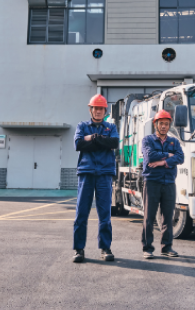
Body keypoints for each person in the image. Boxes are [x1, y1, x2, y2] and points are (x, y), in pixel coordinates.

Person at [72, 94, 119, 263]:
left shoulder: (111, 127)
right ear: (90, 110)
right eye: (95, 108)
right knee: (81, 213)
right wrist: (99, 140)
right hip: (86, 172)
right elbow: (78, 144)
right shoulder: (82, 126)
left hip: (104, 173)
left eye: (101, 109)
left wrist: (92, 139)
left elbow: (114, 143)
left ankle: (105, 248)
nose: (98, 111)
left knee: (105, 213)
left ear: (105, 111)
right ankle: (79, 249)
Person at [141, 110, 185, 259]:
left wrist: (162, 162)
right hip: (152, 182)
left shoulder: (174, 142)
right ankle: (147, 248)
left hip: (169, 183)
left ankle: (166, 247)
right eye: (161, 124)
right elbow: (149, 156)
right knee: (149, 217)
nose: (164, 126)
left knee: (168, 217)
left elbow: (181, 157)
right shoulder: (147, 140)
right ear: (155, 124)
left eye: (166, 124)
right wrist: (168, 155)